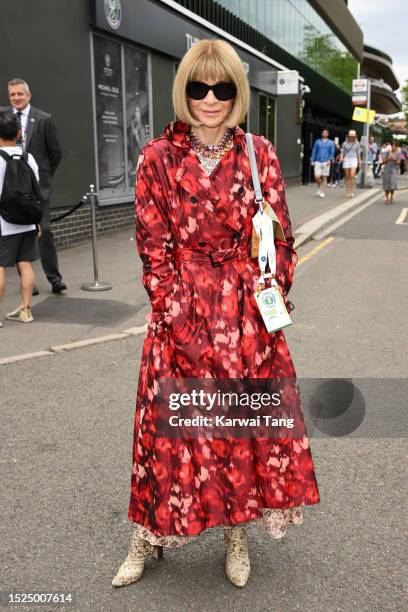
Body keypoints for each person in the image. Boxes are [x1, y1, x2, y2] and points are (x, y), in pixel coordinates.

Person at [112, 39, 320, 589]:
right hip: (180, 313)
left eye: (222, 88)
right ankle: (146, 537)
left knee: (237, 431)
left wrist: (263, 300)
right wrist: (176, 314)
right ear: (185, 90)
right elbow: (151, 247)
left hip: (244, 314)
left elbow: (281, 240)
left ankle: (236, 534)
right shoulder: (158, 157)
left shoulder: (260, 154)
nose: (210, 98)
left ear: (236, 93)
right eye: (199, 87)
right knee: (169, 435)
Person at [0, 79, 66, 294]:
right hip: (9, 188)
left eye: (20, 94)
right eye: (12, 95)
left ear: (28, 95)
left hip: (37, 188)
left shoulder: (44, 119)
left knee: (43, 231)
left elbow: (55, 153)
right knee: (19, 233)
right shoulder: (3, 116)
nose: (16, 98)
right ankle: (29, 285)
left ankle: (54, 279)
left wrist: (40, 178)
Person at [0, 112, 41, 326]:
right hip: (26, 221)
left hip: (3, 224)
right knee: (25, 264)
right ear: (18, 133)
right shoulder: (28, 157)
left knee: (0, 267)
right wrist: (36, 223)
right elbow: (35, 189)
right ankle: (26, 310)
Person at [310, 128, 335, 197]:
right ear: (322, 133)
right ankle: (320, 187)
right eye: (323, 132)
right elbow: (314, 151)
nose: (324, 134)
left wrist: (329, 160)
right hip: (318, 161)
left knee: (324, 177)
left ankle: (323, 191)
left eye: (326, 133)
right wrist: (312, 160)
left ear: (328, 134)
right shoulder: (317, 141)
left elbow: (332, 152)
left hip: (326, 162)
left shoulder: (330, 142)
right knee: (317, 177)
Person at [340, 130, 361, 197]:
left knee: (352, 175)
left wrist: (359, 161)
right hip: (347, 159)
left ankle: (352, 191)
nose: (352, 137)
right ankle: (348, 191)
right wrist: (341, 157)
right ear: (348, 136)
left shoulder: (357, 143)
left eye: (353, 136)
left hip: (354, 159)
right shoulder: (344, 143)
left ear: (355, 137)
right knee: (347, 176)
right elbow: (342, 152)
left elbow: (358, 153)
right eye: (351, 136)